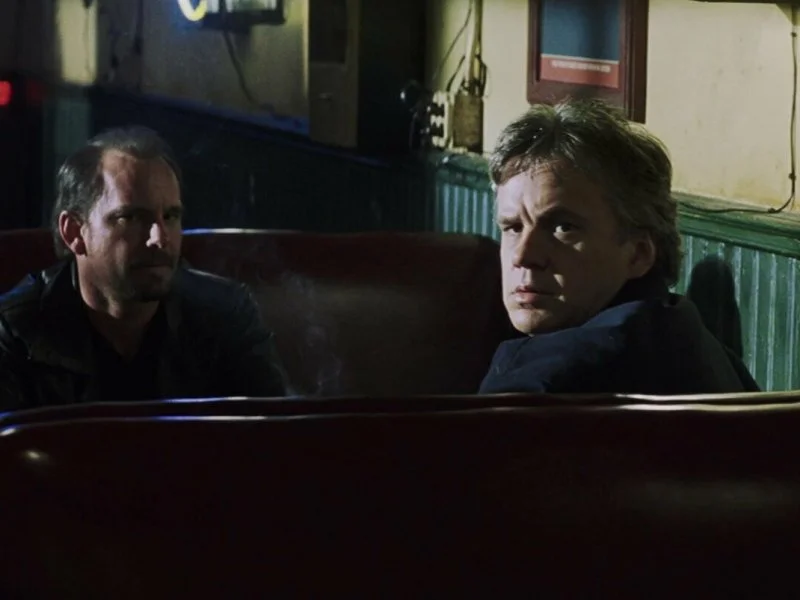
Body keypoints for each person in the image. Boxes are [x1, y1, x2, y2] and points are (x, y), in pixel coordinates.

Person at [479, 99, 758, 395]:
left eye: (563, 228)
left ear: (638, 253)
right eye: (513, 227)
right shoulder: (698, 342)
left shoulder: (543, 380)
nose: (523, 256)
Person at [0, 126, 287, 412]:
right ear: (74, 231)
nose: (159, 238)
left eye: (170, 216)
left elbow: (272, 432)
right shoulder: (15, 333)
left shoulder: (225, 315)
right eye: (131, 217)